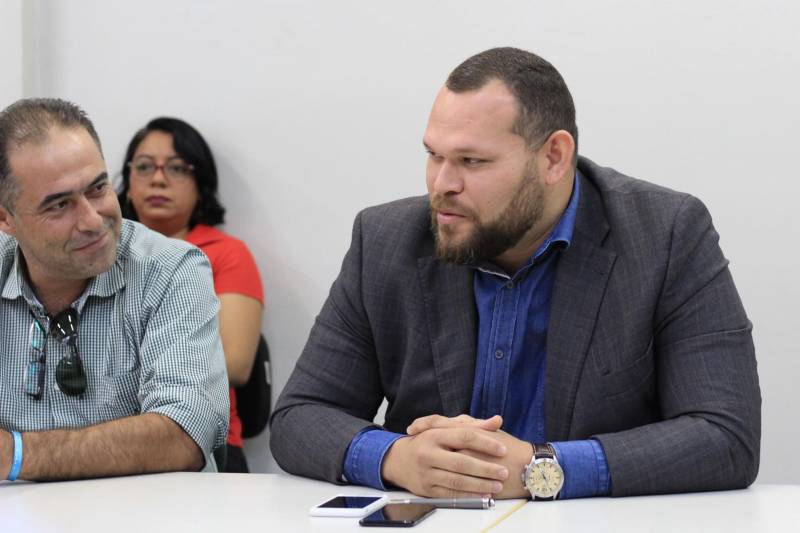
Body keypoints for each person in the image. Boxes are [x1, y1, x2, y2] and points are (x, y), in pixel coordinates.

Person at [270, 47, 761, 500]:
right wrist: (396, 458)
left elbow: (726, 435)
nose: (442, 185)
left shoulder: (666, 235)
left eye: (472, 161)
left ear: (553, 157)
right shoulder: (385, 240)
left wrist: (541, 468)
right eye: (433, 155)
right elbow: (298, 419)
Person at [0, 98, 229, 481]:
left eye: (97, 189)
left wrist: (16, 453)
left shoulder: (169, 269)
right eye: (59, 206)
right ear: (5, 218)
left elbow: (185, 432)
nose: (92, 221)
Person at [117, 117, 264, 473]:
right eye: (145, 166)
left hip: (206, 443)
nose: (158, 179)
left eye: (177, 168)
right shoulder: (99, 253)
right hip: (109, 435)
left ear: (201, 184)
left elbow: (237, 362)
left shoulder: (225, 253)